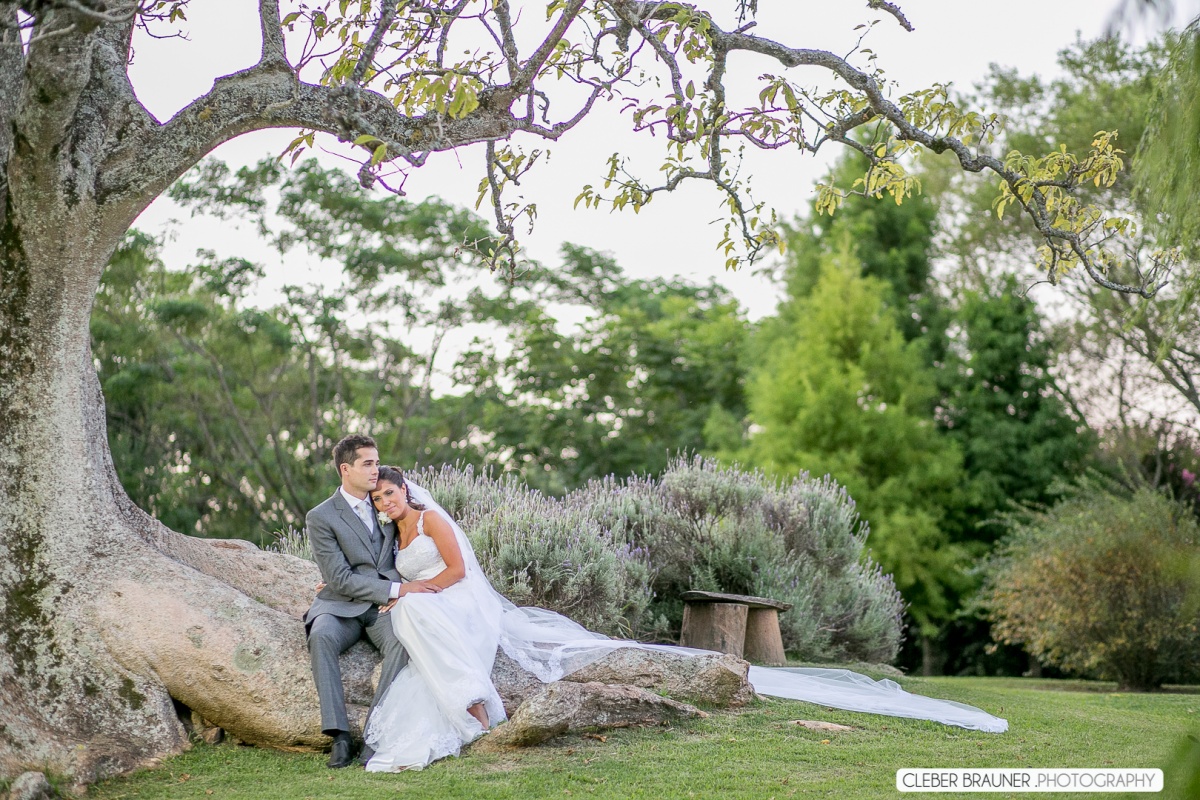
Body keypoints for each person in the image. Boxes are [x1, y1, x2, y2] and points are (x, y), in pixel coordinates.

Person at [360, 468, 1009, 772]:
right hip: (431, 599)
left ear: (407, 489)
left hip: (458, 598)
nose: (386, 502)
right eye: (378, 496)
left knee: (415, 609)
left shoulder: (433, 519)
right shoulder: (394, 529)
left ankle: (474, 701)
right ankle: (469, 701)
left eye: (390, 492)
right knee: (412, 614)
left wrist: (411, 590)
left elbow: (457, 572)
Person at [304, 435, 408, 769]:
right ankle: (340, 736)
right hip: (340, 605)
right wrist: (394, 590)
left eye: (377, 462)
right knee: (321, 636)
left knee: (404, 642)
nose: (376, 470)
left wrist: (402, 589)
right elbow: (339, 579)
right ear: (345, 469)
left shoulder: (386, 501)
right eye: (368, 463)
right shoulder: (321, 516)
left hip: (382, 609)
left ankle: (374, 733)